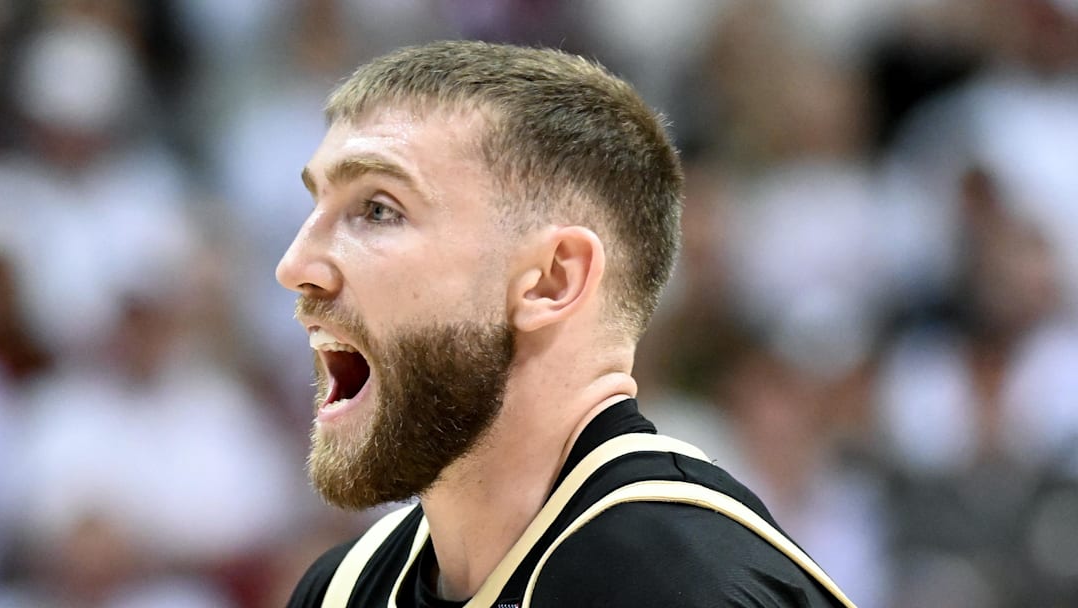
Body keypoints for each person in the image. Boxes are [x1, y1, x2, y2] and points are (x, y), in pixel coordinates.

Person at [276, 40, 856, 608]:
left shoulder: (679, 586)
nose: (294, 267)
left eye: (378, 210)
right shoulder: (340, 588)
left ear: (552, 280)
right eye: (316, 207)